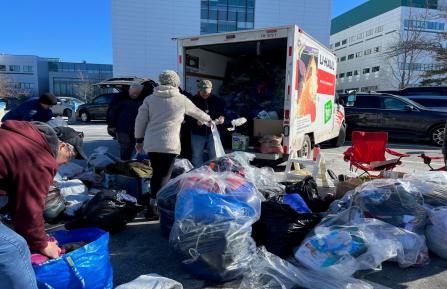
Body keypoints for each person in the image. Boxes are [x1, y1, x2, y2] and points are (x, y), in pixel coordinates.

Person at [0, 120, 87, 288]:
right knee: (15, 247)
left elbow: (20, 204)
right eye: (71, 156)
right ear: (62, 147)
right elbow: (29, 209)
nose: (68, 163)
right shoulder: (40, 158)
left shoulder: (22, 138)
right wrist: (42, 244)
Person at [134, 70, 212, 220]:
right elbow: (197, 113)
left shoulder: (150, 99)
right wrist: (210, 120)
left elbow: (140, 121)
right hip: (170, 145)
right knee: (164, 176)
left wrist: (139, 140)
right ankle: (155, 207)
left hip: (152, 144)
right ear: (176, 83)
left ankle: (154, 204)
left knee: (157, 173)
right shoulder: (181, 99)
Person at [189, 79, 225, 167]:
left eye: (207, 92)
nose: (205, 94)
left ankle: (214, 174)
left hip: (212, 133)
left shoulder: (217, 101)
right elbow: (187, 118)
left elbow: (222, 114)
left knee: (215, 155)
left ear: (211, 90)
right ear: (199, 89)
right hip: (197, 133)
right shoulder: (192, 101)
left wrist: (222, 119)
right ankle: (198, 175)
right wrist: (196, 122)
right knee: (197, 155)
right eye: (203, 92)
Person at [108, 83, 145, 160]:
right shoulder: (120, 98)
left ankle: (127, 163)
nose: (135, 95)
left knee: (132, 146)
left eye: (137, 93)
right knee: (125, 146)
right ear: (129, 90)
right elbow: (112, 112)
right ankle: (124, 162)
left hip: (135, 129)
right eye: (133, 93)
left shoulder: (142, 101)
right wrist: (111, 125)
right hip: (122, 128)